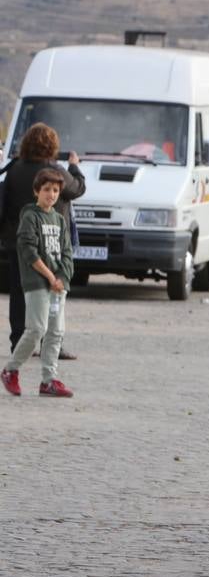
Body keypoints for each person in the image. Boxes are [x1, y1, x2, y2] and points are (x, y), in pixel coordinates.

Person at [2, 123, 84, 355]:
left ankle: (19, 342)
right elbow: (77, 189)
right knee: (51, 290)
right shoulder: (54, 170)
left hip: (17, 241)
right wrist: (74, 167)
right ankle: (51, 343)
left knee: (19, 292)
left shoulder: (15, 169)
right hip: (50, 242)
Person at [1, 169, 74, 398]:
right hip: (37, 283)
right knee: (36, 330)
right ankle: (10, 370)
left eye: (55, 190)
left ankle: (49, 380)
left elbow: (67, 253)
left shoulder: (60, 219)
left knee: (56, 332)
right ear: (36, 191)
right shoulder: (30, 216)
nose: (51, 194)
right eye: (46, 190)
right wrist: (50, 277)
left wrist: (62, 277)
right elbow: (28, 251)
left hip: (57, 286)